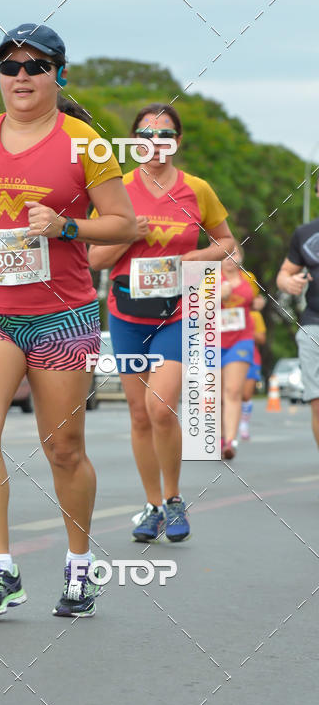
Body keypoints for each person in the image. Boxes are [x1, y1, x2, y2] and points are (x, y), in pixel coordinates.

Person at [0, 23, 137, 617]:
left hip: (62, 316)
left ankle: (79, 565)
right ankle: (0, 569)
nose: (21, 77)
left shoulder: (86, 144)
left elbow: (123, 225)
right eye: (9, 66)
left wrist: (67, 226)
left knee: (64, 446)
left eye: (35, 66)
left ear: (58, 74)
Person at [89, 103, 236, 541]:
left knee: (160, 406)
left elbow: (229, 244)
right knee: (138, 415)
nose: (156, 145)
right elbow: (93, 258)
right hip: (126, 313)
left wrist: (201, 256)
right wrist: (124, 237)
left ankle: (174, 499)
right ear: (135, 142)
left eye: (165, 135)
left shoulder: (198, 190)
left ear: (177, 141)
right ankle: (152, 505)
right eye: (147, 136)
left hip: (178, 312)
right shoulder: (116, 191)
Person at [277, 209, 319, 449]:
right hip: (314, 321)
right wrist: (287, 282)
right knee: (317, 402)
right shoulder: (305, 233)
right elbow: (284, 273)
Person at [220, 244, 257, 459]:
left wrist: (259, 303)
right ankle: (220, 435)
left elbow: (255, 301)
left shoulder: (249, 279)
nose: (228, 257)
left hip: (241, 339)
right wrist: (217, 297)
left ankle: (230, 441)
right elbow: (196, 311)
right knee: (216, 394)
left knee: (233, 390)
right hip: (213, 341)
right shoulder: (210, 279)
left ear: (241, 256)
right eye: (223, 253)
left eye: (233, 253)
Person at [239, 295, 266, 440]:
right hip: (230, 355)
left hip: (251, 357)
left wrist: (247, 328)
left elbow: (262, 338)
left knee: (246, 395)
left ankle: (244, 424)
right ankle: (224, 433)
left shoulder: (255, 315)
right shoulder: (226, 311)